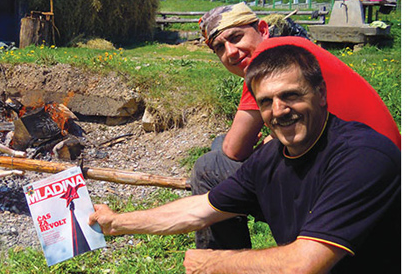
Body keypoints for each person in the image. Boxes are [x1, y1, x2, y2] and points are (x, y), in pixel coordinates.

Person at [89, 45, 400, 273]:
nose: (278, 110)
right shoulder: (271, 157)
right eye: (266, 102)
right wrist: (117, 223)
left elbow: (303, 264)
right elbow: (201, 209)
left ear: (320, 94)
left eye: (290, 95)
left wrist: (214, 263)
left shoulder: (363, 156)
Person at [190, 2, 400, 250]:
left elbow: (235, 149)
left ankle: (222, 260)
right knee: (219, 147)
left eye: (236, 37)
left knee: (208, 167)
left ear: (263, 29)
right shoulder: (295, 50)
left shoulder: (273, 59)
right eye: (220, 48)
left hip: (357, 172)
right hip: (370, 155)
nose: (231, 52)